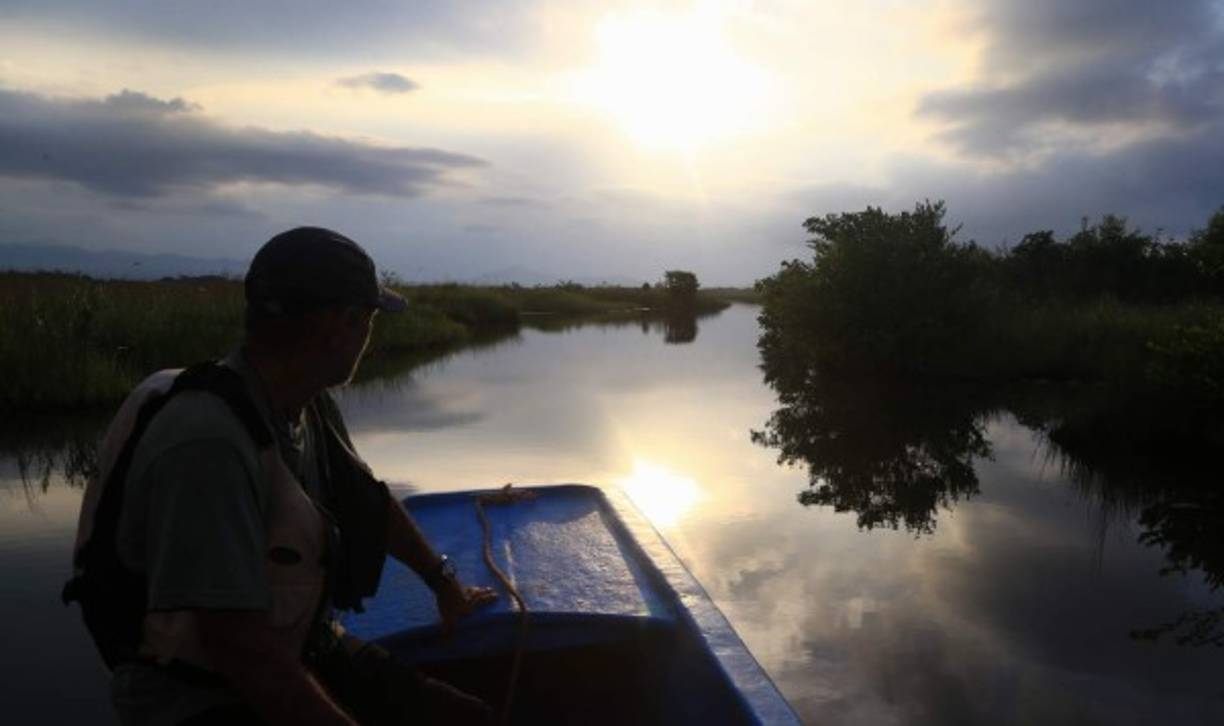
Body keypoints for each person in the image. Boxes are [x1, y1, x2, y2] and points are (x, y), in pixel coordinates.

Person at [67, 227, 497, 725]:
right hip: (200, 698)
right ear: (344, 325)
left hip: (303, 648)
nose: (370, 337)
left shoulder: (304, 401)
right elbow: (242, 652)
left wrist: (444, 585)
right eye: (370, 321)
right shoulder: (208, 446)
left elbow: (369, 504)